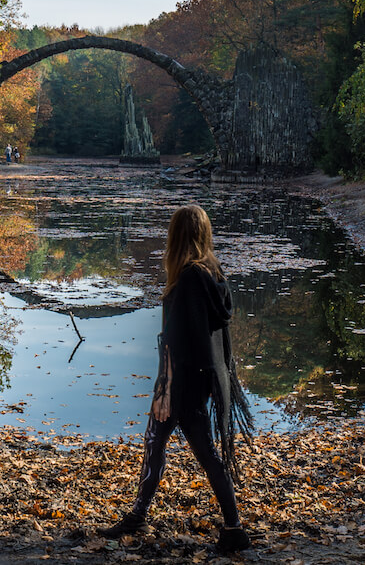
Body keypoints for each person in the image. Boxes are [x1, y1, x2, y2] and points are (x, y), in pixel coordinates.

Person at [99, 205, 253, 554]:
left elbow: (178, 341)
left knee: (200, 452)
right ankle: (141, 515)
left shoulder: (187, 280)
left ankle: (233, 529)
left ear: (176, 236)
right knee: (159, 442)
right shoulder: (213, 274)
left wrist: (166, 391)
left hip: (181, 383)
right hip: (196, 380)